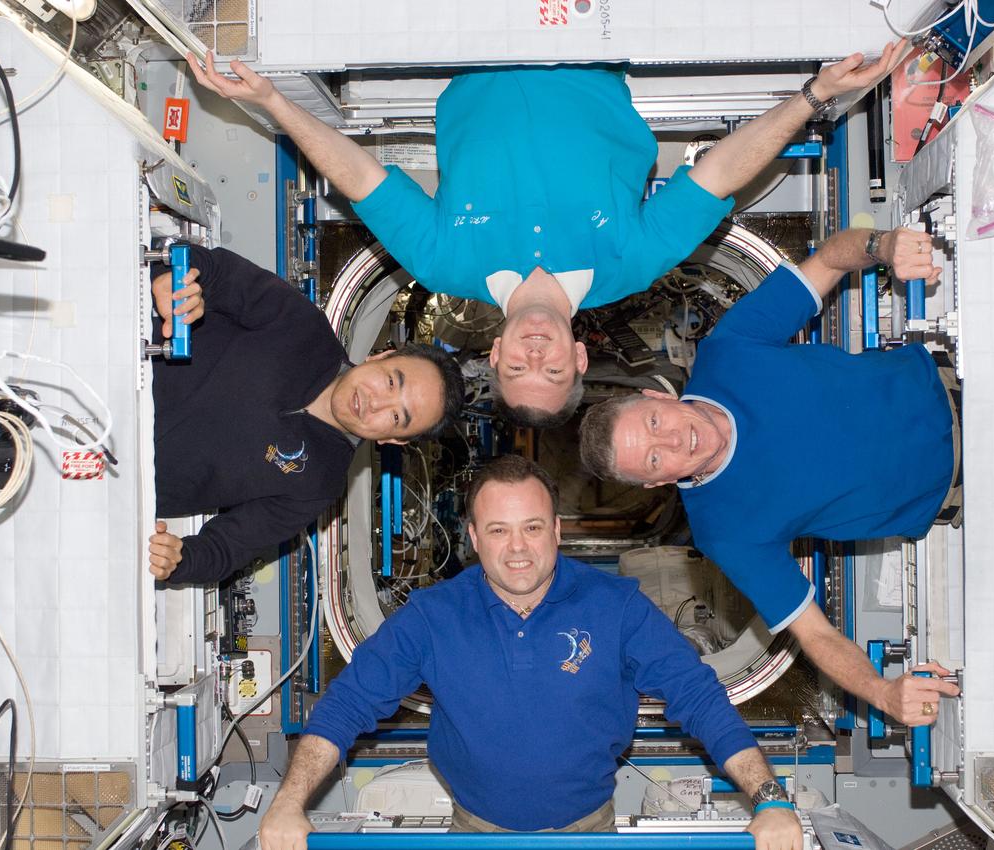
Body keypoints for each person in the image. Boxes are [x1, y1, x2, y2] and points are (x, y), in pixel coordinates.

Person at [185, 44, 903, 428]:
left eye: (517, 368)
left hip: (484, 32)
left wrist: (274, 102)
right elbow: (720, 173)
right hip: (582, 33)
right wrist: (814, 97)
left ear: (492, 353)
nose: (535, 356)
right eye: (553, 371)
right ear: (578, 354)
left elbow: (358, 174)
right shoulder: (632, 263)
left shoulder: (444, 263)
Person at [258, 455, 803, 850]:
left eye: (532, 528)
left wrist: (770, 798)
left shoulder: (617, 607)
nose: (517, 548)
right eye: (498, 530)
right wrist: (287, 803)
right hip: (473, 833)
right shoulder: (432, 616)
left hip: (591, 832)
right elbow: (347, 704)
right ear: (473, 537)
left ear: (557, 531)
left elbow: (699, 697)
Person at [577, 227, 962, 726]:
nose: (672, 442)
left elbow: (827, 261)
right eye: (653, 459)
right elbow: (814, 634)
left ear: (657, 399)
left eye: (654, 424)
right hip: (964, 488)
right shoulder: (725, 533)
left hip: (962, 378)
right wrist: (883, 694)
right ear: (656, 483)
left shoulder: (729, 349)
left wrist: (882, 247)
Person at [146, 245, 464, 585]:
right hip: (112, 367)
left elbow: (226, 548)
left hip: (114, 473)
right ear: (380, 357)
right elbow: (217, 271)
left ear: (394, 439)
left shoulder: (317, 485)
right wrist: (176, 282)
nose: (376, 403)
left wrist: (181, 560)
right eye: (390, 381)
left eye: (398, 417)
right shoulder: (300, 325)